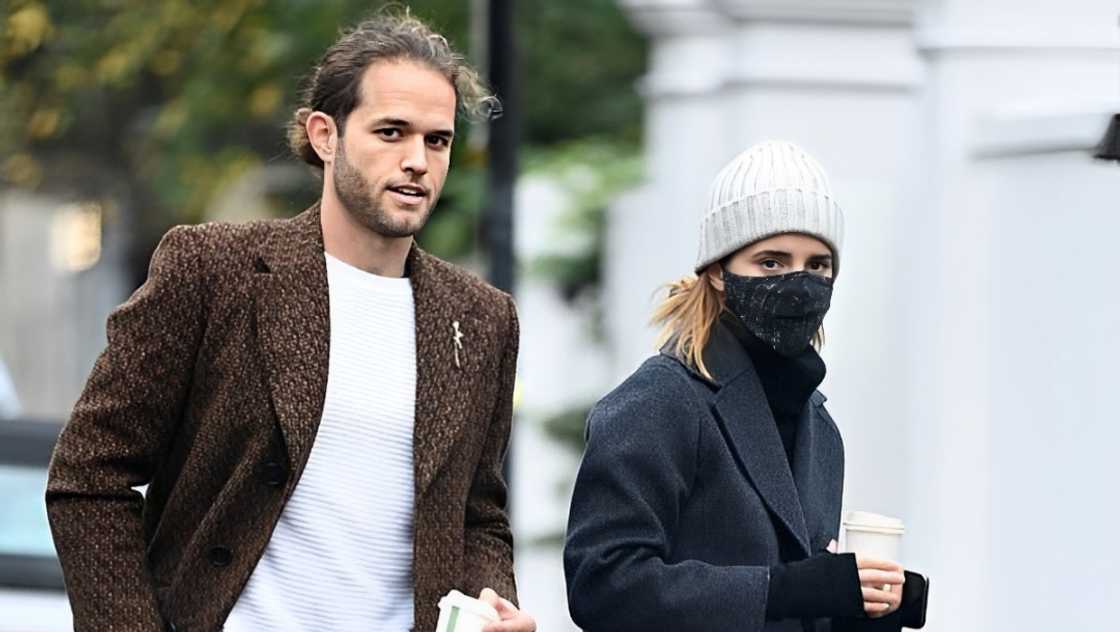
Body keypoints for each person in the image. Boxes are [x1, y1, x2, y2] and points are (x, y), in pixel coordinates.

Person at [45, 11, 535, 632]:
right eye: (391, 132)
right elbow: (88, 476)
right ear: (325, 135)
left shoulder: (482, 318)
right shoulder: (213, 269)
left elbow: (477, 512)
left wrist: (492, 605)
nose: (417, 160)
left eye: (436, 140)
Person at [563, 140, 927, 631]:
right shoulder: (661, 400)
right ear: (717, 270)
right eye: (771, 262)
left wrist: (868, 604)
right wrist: (790, 588)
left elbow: (795, 610)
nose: (798, 282)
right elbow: (601, 584)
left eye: (817, 265)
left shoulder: (819, 426)